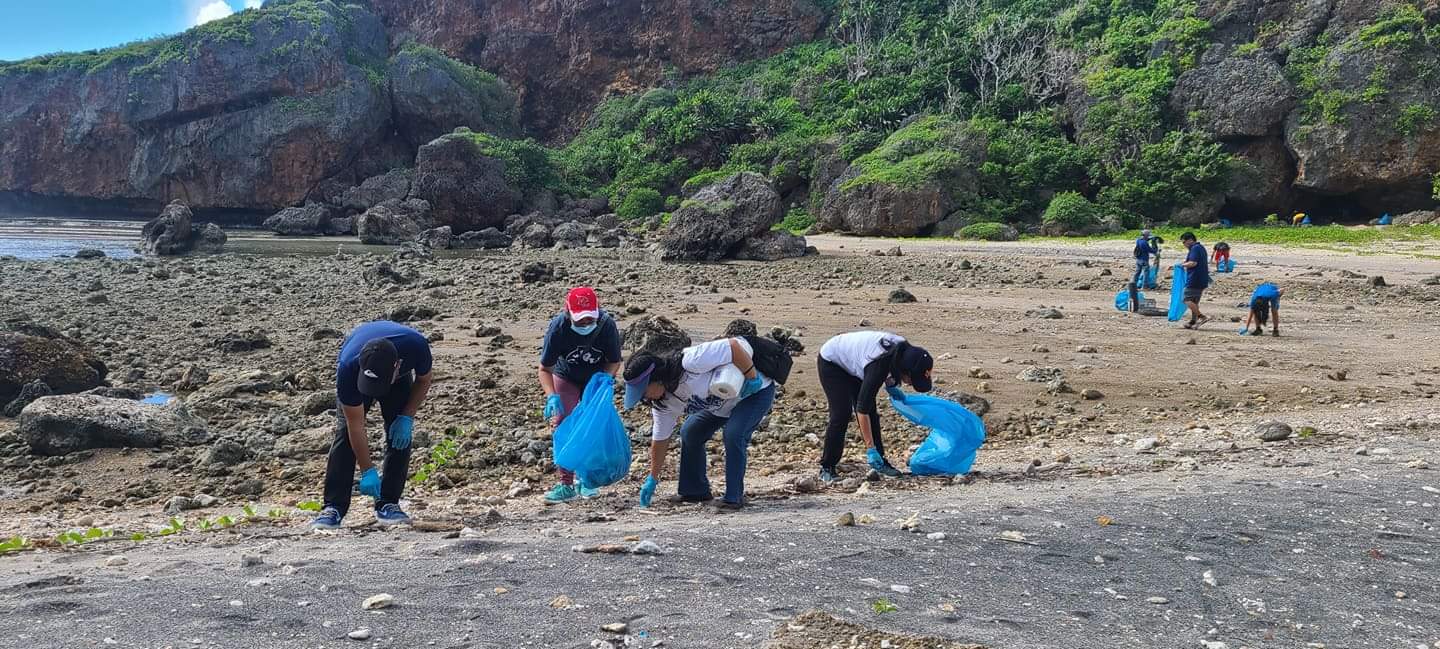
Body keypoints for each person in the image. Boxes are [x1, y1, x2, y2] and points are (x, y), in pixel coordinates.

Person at [622, 337, 776, 510]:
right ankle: (694, 491)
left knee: (734, 434)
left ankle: (734, 497)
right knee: (691, 432)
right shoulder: (662, 403)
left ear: (657, 379)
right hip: (721, 403)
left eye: (644, 391)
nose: (644, 397)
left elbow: (733, 346)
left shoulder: (691, 362)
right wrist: (653, 478)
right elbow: (660, 439)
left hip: (754, 393)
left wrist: (752, 378)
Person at [311, 321, 433, 529]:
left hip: (398, 379)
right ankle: (333, 507)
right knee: (344, 434)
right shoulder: (348, 367)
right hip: (357, 374)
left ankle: (388, 502)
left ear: (398, 365)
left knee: (399, 433)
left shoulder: (416, 347)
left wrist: (407, 417)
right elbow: (356, 425)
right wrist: (368, 470)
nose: (375, 391)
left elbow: (424, 380)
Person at [539, 287, 623, 504]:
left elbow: (614, 360)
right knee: (563, 423)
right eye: (580, 321)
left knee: (593, 425)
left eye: (589, 320)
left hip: (595, 379)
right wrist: (551, 396)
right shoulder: (558, 328)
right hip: (566, 377)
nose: (585, 324)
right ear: (568, 312)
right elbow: (544, 369)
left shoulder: (606, 325)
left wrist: (606, 379)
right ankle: (565, 484)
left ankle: (588, 479)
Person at [815, 331, 934, 483]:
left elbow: (889, 370)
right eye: (912, 380)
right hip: (832, 362)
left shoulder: (906, 352)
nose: (911, 384)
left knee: (872, 411)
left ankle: (881, 462)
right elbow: (861, 410)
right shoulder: (878, 366)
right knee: (842, 414)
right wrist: (870, 448)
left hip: (856, 362)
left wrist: (891, 386)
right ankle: (827, 466)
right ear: (905, 371)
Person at [1179, 232, 1211, 329]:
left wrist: (1181, 265)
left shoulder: (1195, 248)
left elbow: (1193, 263)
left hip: (1195, 278)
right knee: (1194, 301)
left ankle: (1202, 317)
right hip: (1202, 278)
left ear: (1190, 240)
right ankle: (1193, 321)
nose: (1184, 245)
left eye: (1184, 242)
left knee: (1186, 299)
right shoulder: (1200, 248)